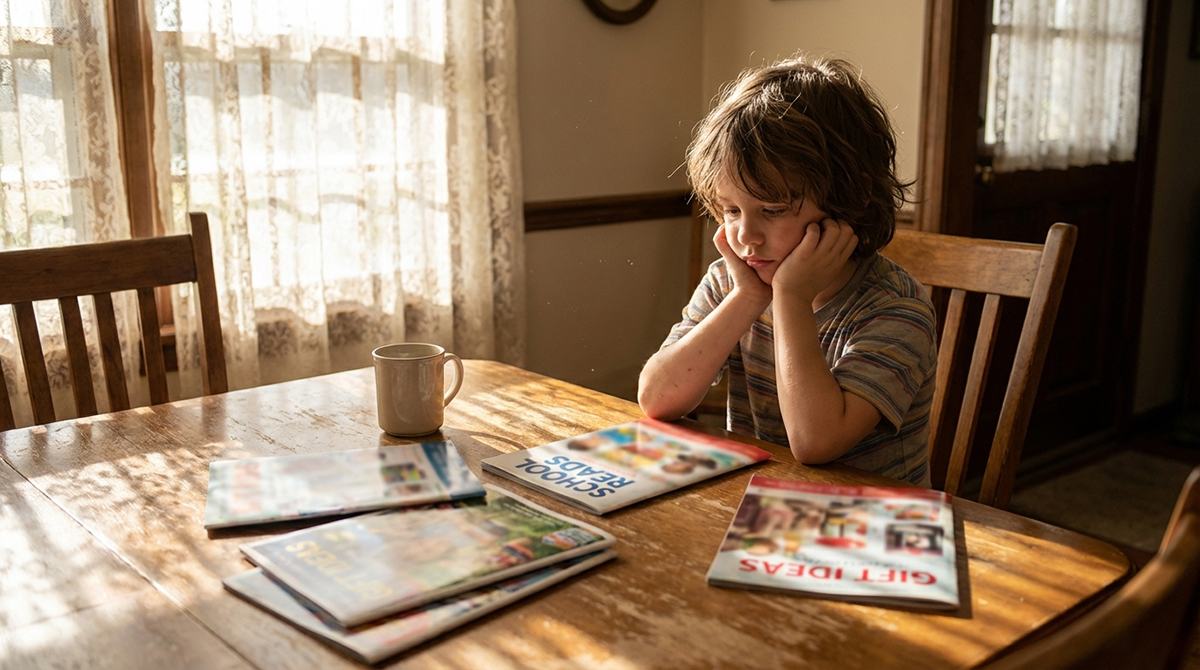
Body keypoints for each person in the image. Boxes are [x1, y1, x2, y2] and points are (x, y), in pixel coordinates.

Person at [637, 56, 936, 485]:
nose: (745, 236)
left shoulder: (896, 307)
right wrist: (748, 298)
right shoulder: (734, 282)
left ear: (849, 199)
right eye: (731, 210)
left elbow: (815, 443)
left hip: (872, 525)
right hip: (760, 504)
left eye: (773, 210)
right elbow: (657, 399)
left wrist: (790, 297)